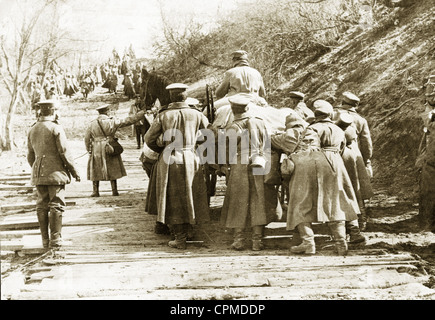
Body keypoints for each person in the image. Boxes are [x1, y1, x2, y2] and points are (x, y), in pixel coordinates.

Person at [287, 100, 360, 256]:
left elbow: (308, 149)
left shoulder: (312, 129)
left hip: (316, 163)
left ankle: (308, 243)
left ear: (316, 114)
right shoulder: (339, 129)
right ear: (330, 114)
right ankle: (341, 243)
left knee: (301, 201)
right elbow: (341, 149)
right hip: (336, 165)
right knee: (336, 203)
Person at [144, 83, 210, 249]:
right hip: (191, 157)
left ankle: (179, 237)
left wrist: (162, 146)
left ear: (171, 97)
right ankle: (189, 231)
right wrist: (195, 144)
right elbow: (210, 134)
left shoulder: (163, 115)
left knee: (172, 198)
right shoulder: (197, 114)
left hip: (170, 158)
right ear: (185, 96)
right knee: (191, 194)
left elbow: (148, 139)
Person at [220, 96, 282, 251]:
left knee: (238, 201)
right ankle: (257, 240)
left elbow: (227, 151)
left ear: (233, 110)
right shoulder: (261, 122)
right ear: (247, 108)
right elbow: (269, 143)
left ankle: (239, 239)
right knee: (258, 200)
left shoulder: (232, 127)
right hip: (259, 163)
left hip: (240, 165)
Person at [27, 100, 80, 249]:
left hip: (39, 174)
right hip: (56, 174)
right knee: (56, 204)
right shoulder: (56, 128)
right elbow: (64, 153)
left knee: (41, 205)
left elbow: (30, 156)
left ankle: (45, 240)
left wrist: (38, 171)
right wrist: (74, 171)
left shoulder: (32, 129)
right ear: (53, 112)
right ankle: (55, 239)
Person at [84, 103, 147, 197]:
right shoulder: (112, 121)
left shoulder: (92, 123)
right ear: (107, 111)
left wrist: (88, 148)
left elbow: (86, 138)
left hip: (96, 147)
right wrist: (142, 113)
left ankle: (95, 191)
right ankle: (114, 191)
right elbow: (129, 120)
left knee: (95, 167)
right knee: (112, 166)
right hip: (110, 145)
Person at [333, 91, 373, 229]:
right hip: (353, 154)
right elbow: (367, 144)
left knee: (337, 187)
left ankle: (340, 223)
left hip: (335, 153)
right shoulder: (361, 120)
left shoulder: (333, 114)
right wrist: (367, 160)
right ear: (355, 106)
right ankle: (361, 220)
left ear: (343, 102)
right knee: (357, 188)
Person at [336, 113, 371, 245]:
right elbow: (366, 143)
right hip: (354, 158)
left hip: (341, 160)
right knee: (355, 193)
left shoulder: (336, 131)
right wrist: (367, 159)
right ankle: (359, 224)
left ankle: (348, 230)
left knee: (343, 194)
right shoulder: (357, 122)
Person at [416, 74, 435, 231]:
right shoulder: (428, 111)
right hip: (430, 155)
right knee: (428, 189)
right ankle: (426, 224)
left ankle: (427, 224)